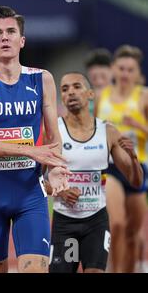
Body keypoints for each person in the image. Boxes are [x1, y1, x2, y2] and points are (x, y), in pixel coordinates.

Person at [0, 6, 70, 273]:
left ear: (22, 40)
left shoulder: (41, 79)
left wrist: (56, 167)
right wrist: (32, 152)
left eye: (11, 31)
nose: (5, 37)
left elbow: (53, 140)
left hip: (30, 195)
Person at [48, 72, 143, 273]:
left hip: (96, 221)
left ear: (90, 94)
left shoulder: (108, 131)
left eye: (76, 87)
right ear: (62, 97)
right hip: (64, 222)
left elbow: (135, 181)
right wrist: (60, 190)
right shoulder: (54, 132)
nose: (71, 92)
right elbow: (35, 180)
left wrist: (134, 159)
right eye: (65, 89)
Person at [96, 44, 148, 272]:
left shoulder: (144, 97)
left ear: (137, 74)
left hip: (138, 168)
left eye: (130, 70)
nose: (125, 74)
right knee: (116, 223)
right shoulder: (102, 96)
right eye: (122, 68)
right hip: (110, 167)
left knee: (133, 235)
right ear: (114, 70)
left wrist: (140, 126)